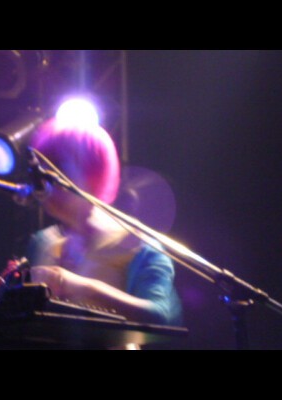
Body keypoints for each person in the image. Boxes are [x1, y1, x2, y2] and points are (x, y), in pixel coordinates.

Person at [26, 116, 183, 334]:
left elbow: (160, 317)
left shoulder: (137, 244)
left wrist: (80, 286)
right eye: (39, 170)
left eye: (56, 167)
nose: (42, 181)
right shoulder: (42, 243)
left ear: (92, 173)